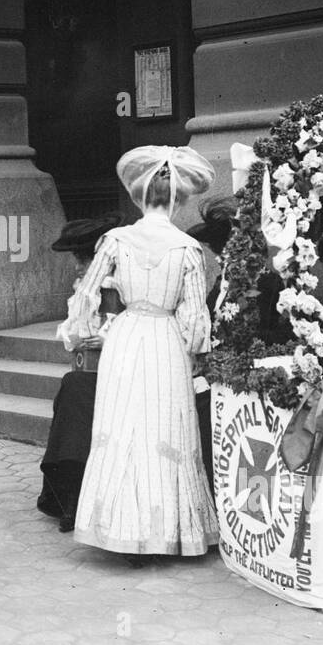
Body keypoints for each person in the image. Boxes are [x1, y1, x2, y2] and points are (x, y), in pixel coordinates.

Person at [58, 146, 218, 565]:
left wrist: (84, 333)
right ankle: (164, 532)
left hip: (127, 339)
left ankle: (122, 530)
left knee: (123, 427)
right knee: (163, 429)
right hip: (165, 339)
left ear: (139, 196)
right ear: (179, 199)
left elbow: (86, 296)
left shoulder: (115, 240)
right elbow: (195, 314)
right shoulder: (187, 249)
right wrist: (197, 350)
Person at [36, 212, 123, 532]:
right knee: (71, 396)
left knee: (74, 395)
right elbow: (71, 334)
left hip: (119, 375)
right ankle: (70, 494)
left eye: (82, 258)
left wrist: (105, 338)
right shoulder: (83, 292)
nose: (77, 265)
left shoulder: (116, 286)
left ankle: (75, 497)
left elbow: (128, 328)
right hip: (86, 374)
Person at [187, 195, 237, 507]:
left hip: (238, 374)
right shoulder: (222, 282)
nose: (217, 258)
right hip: (217, 369)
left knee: (202, 403)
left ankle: (218, 497)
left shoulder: (260, 281)